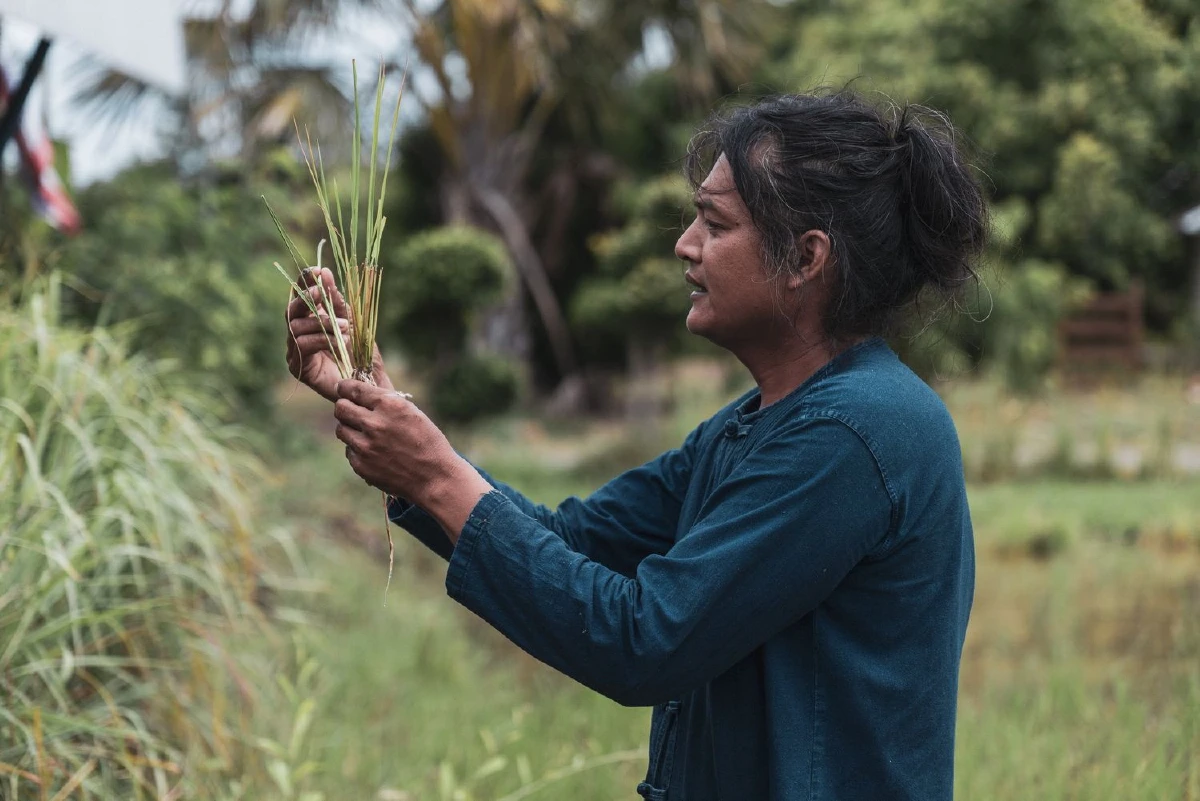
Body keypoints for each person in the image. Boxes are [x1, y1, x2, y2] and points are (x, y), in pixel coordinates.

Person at [285, 90, 986, 801]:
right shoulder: (754, 426)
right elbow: (572, 539)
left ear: (805, 258)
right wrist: (391, 417)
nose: (685, 244)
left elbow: (646, 639)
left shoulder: (853, 434)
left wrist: (435, 478)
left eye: (714, 223)